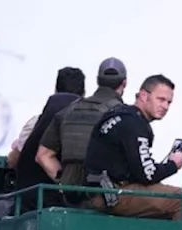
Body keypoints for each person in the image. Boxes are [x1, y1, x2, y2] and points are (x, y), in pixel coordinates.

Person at [81, 74, 182, 228]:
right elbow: (147, 174)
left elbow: (139, 168)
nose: (165, 107)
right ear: (143, 95)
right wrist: (173, 165)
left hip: (99, 191)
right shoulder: (134, 123)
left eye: (169, 102)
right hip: (111, 194)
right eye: (161, 99)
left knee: (164, 194)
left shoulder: (121, 114)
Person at [36, 58, 127, 202]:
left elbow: (43, 155)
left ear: (98, 80)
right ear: (124, 83)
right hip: (106, 197)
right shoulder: (123, 115)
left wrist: (63, 180)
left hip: (70, 194)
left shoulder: (68, 110)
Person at [12, 67, 86, 209]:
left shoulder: (35, 122)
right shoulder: (86, 124)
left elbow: (13, 160)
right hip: (66, 205)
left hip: (29, 203)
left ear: (56, 89)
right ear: (83, 93)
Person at [7, 67, 86, 168]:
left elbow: (12, 160)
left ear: (55, 91)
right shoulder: (93, 126)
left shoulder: (34, 124)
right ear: (83, 94)